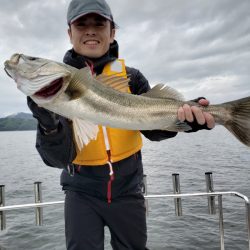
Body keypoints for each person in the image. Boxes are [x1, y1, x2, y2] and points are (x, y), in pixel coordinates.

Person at [27, 0, 215, 249]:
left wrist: (187, 121)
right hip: (81, 193)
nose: (90, 30)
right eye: (81, 24)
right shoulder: (58, 83)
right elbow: (57, 159)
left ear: (112, 32)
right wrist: (47, 122)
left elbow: (153, 130)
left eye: (99, 23)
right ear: (69, 33)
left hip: (129, 190)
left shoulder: (131, 77)